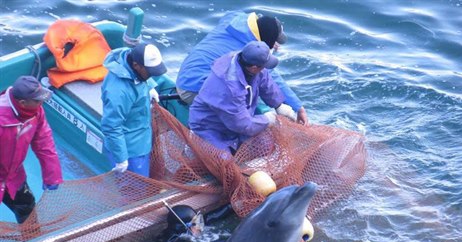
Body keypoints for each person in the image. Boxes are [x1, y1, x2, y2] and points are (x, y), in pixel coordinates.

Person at [176, 11, 308, 125]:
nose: (275, 46)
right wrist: (298, 107)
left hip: (184, 77)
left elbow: (236, 14)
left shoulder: (236, 21)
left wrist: (267, 43)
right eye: (273, 42)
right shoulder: (248, 50)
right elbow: (271, 77)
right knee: (250, 88)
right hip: (193, 89)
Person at [189, 41, 293, 154]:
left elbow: (265, 81)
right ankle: (195, 146)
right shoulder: (229, 87)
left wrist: (279, 105)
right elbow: (242, 125)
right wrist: (267, 119)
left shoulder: (246, 61)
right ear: (254, 68)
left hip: (236, 120)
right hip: (209, 127)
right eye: (264, 66)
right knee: (223, 163)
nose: (264, 69)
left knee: (266, 145)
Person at [0, 76, 63, 223]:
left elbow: (44, 142)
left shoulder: (36, 111)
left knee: (27, 206)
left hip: (14, 176)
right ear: (23, 102)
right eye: (37, 100)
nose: (41, 103)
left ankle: (33, 240)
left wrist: (52, 175)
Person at [101, 42, 167, 177]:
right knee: (134, 191)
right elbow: (111, 126)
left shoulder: (131, 60)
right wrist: (121, 159)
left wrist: (150, 86)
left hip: (142, 138)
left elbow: (140, 79)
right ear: (137, 66)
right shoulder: (118, 92)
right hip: (130, 150)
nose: (152, 75)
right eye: (150, 72)